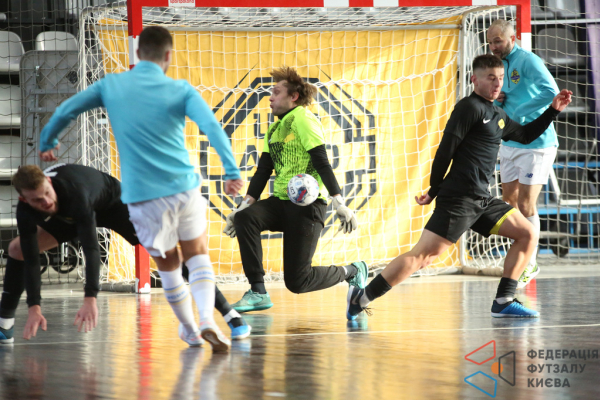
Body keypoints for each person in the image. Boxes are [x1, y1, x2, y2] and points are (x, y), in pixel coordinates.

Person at [36, 26, 242, 352]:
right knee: (197, 256)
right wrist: (231, 171)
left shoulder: (111, 85)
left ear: (137, 53)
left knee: (168, 264)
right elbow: (212, 128)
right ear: (168, 55)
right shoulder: (181, 89)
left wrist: (48, 140)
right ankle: (206, 319)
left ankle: (190, 330)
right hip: (183, 189)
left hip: (143, 198)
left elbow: (66, 110)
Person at [346, 54, 571, 320]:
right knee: (422, 257)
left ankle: (503, 300)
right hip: (459, 199)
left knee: (527, 233)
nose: (497, 84)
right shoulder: (469, 108)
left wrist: (553, 110)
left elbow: (524, 135)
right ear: (474, 79)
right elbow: (445, 150)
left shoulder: (498, 114)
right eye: (491, 78)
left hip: (482, 199)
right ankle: (361, 298)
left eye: (500, 78)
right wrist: (434, 189)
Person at [0, 164, 251, 344]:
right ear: (24, 200)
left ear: (49, 181)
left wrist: (90, 298)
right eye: (37, 200)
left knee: (166, 254)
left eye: (46, 193)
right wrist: (34, 307)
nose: (45, 202)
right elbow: (31, 258)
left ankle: (231, 315)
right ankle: (5, 324)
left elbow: (91, 247)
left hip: (115, 204)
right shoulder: (27, 210)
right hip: (68, 214)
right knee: (17, 249)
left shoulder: (74, 192)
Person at [224, 66, 368, 313]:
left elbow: (322, 162)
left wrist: (339, 202)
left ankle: (353, 271)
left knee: (298, 282)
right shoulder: (274, 130)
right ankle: (258, 292)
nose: (270, 98)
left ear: (293, 96)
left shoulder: (304, 118)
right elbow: (262, 172)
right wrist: (241, 208)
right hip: (281, 202)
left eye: (276, 92)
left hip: (308, 207)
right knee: (246, 218)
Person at [487, 19, 560, 288]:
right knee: (509, 201)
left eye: (498, 41)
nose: (493, 46)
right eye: (490, 42)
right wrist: (499, 99)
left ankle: (529, 263)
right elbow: (504, 94)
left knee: (527, 204)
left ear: (513, 38)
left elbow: (551, 92)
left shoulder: (528, 60)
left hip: (537, 143)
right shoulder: (497, 63)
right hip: (511, 141)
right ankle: (521, 255)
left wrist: (519, 110)